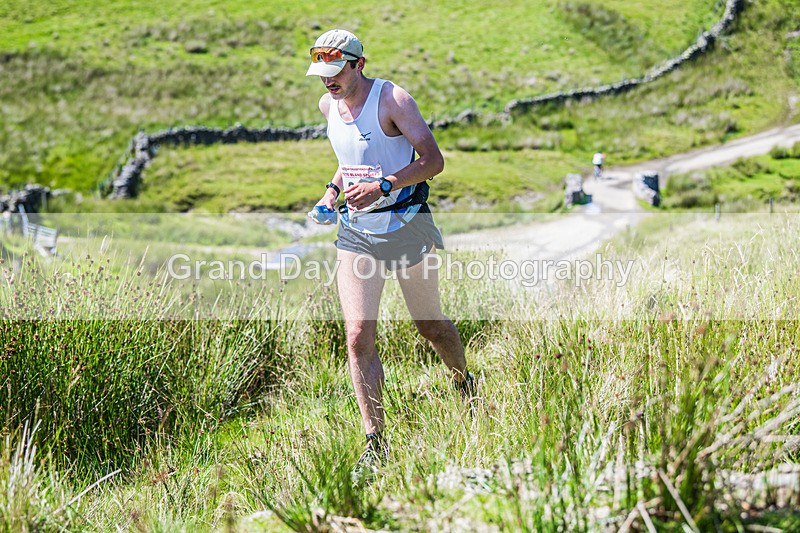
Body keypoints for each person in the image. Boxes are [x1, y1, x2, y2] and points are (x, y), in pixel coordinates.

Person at [305, 28, 475, 473]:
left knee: (431, 326)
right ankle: (375, 442)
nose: (327, 82)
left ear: (358, 64)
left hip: (406, 226)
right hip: (356, 232)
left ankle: (465, 387)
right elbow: (348, 163)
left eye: (335, 71)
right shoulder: (328, 106)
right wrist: (331, 193)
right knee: (359, 333)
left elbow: (433, 161)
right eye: (321, 73)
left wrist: (384, 185)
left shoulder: (393, 100)